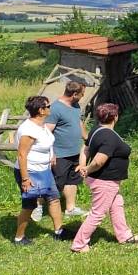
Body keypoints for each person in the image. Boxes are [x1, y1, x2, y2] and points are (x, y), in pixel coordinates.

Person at [71, 103, 138, 253]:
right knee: (97, 213)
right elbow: (99, 161)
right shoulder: (108, 136)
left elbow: (86, 148)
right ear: (115, 117)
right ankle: (78, 245)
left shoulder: (96, 130)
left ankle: (124, 236)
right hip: (105, 181)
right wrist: (88, 168)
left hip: (106, 181)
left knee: (117, 204)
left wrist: (83, 165)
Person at [13, 96, 70, 245]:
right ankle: (19, 237)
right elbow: (21, 154)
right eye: (48, 106)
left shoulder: (41, 125)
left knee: (53, 198)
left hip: (44, 170)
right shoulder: (28, 129)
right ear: (41, 110)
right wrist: (25, 179)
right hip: (30, 172)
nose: (50, 108)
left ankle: (59, 231)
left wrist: (52, 155)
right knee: (30, 204)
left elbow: (47, 142)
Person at [33, 81, 89, 222]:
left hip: (75, 152)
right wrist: (51, 153)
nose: (83, 96)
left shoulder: (76, 106)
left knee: (73, 180)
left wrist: (87, 139)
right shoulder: (56, 108)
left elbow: (79, 123)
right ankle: (38, 207)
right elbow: (47, 132)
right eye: (82, 93)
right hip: (60, 154)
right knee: (50, 181)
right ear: (74, 94)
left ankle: (70, 208)